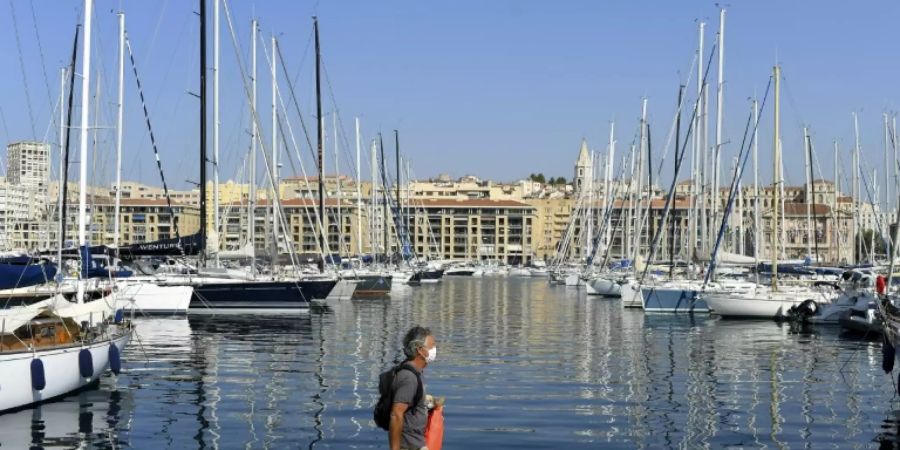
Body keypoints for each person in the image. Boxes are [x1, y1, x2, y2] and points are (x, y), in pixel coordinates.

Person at [390, 326, 436, 450]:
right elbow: (396, 414)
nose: (434, 350)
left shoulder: (415, 370)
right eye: (431, 347)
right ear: (420, 350)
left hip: (417, 443)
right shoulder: (408, 377)